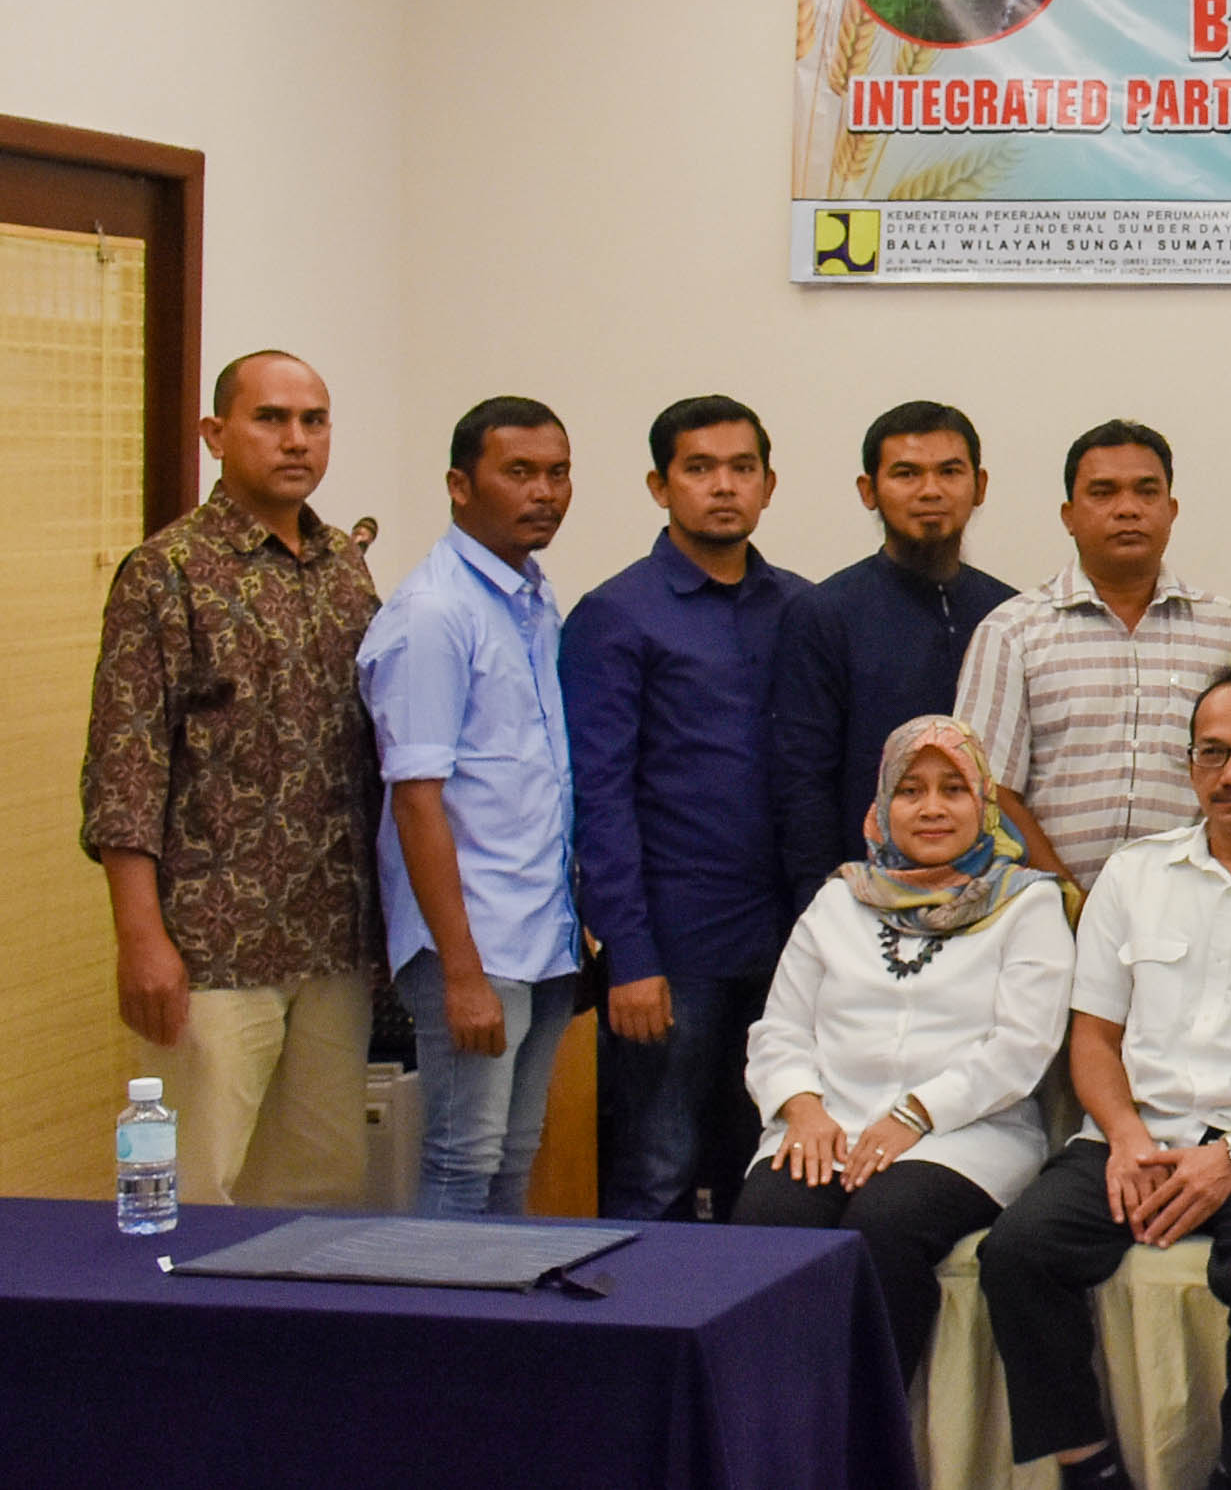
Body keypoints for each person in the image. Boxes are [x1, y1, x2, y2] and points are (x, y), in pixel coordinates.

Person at [979, 668, 1231, 1490]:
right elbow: (1093, 1037)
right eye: (1213, 753)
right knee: (1018, 1253)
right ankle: (1088, 1466)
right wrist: (1122, 1137)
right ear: (1189, 765)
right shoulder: (1132, 874)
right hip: (1140, 1127)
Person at [78, 349, 380, 1208]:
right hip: (212, 948)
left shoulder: (344, 569)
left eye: (312, 421)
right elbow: (125, 769)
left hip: (334, 939)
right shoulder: (165, 573)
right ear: (216, 433)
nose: (296, 440)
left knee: (321, 1189)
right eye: (270, 419)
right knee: (189, 1191)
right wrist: (141, 940)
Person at [734, 715, 1073, 1373]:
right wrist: (802, 1109)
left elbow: (1022, 1046)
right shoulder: (839, 899)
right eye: (910, 790)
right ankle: (776, 1431)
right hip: (826, 1124)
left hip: (967, 1132)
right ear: (883, 804)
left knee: (882, 1224)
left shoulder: (1028, 904)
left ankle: (866, 1436)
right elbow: (779, 1030)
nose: (932, 808)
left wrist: (914, 1114)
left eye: (954, 789)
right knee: (769, 1220)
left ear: (985, 802)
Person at [566, 394, 812, 1223]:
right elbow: (598, 796)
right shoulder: (616, 615)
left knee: (767, 1161)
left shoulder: (798, 608)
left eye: (742, 468)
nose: (723, 487)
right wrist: (627, 955)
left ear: (769, 485)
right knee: (656, 1167)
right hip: (672, 951)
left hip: (785, 943)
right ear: (658, 484)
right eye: (699, 468)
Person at [361, 396, 583, 1215]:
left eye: (558, 473)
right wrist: (460, 974)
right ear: (460, 485)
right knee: (460, 1166)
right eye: (518, 472)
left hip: (540, 936)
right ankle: (438, 1343)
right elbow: (417, 804)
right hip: (474, 946)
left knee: (511, 1166)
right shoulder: (434, 613)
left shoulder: (530, 597)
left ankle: (502, 1340)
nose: (544, 492)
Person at [955, 418, 1231, 889]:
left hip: (1197, 910)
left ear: (1171, 509)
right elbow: (987, 790)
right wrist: (1069, 902)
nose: (1127, 509)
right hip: (1047, 915)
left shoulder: (1226, 630)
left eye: (1146, 492)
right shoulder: (1012, 631)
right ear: (1068, 514)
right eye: (1103, 492)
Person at [768, 403, 1017, 914]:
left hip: (994, 904)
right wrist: (821, 911)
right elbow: (803, 785)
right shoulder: (824, 613)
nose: (931, 490)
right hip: (862, 902)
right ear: (869, 490)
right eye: (907, 473)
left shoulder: (1011, 616)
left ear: (981, 485)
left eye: (949, 471)